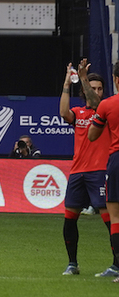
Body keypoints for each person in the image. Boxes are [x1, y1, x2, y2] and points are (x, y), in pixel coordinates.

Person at [59, 59, 116, 277]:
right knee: (69, 217)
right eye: (93, 89)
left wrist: (83, 78)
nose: (97, 92)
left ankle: (116, 263)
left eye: (100, 88)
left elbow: (96, 104)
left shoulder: (107, 111)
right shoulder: (79, 113)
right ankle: (72, 263)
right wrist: (67, 82)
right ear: (85, 91)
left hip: (100, 171)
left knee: (109, 219)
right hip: (77, 172)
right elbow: (64, 113)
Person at [87, 62, 119, 282]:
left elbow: (92, 135)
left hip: (117, 159)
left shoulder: (107, 105)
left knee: (115, 217)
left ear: (116, 79)